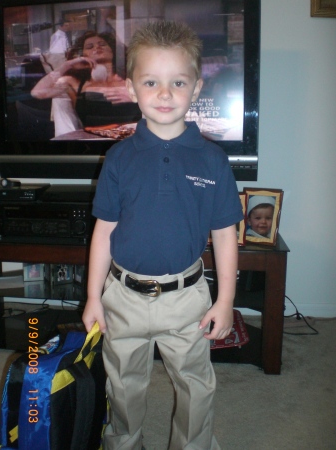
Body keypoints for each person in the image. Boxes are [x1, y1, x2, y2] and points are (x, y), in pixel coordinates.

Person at [82, 21, 243, 450]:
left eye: (177, 82)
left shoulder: (213, 160)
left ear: (196, 87)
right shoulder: (118, 158)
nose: (165, 94)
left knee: (196, 386)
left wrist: (225, 300)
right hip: (123, 296)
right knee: (123, 386)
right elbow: (103, 231)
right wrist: (94, 297)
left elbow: (225, 234)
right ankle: (122, 443)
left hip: (186, 298)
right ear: (132, 90)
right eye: (151, 82)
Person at [31, 31, 141, 136]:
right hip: (95, 143)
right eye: (89, 47)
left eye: (102, 44)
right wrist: (66, 65)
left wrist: (136, 97)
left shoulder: (132, 79)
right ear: (83, 55)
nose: (96, 47)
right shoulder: (75, 83)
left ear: (112, 50)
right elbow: (37, 93)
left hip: (133, 140)